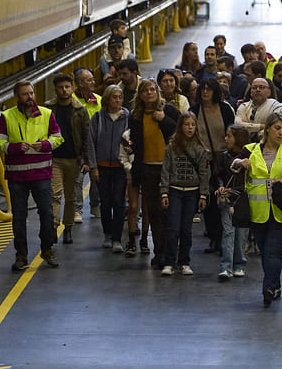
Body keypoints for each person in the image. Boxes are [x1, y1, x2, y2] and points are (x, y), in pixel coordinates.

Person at [234, 113, 282, 306]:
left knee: (273, 251)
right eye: (277, 128)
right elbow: (231, 165)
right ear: (267, 130)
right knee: (266, 252)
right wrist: (240, 163)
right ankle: (276, 284)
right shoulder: (251, 149)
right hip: (258, 212)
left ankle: (268, 288)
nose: (281, 133)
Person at [0, 81, 63, 270]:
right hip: (17, 177)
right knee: (19, 217)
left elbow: (58, 138)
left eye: (31, 93)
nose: (30, 97)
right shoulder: (7, 117)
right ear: (17, 96)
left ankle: (47, 249)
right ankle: (21, 256)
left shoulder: (47, 114)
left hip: (41, 175)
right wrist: (14, 148)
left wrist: (46, 145)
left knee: (47, 214)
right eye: (25, 94)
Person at [128, 79, 180, 267]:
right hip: (147, 168)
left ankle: (172, 252)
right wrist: (131, 148)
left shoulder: (169, 110)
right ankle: (160, 252)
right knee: (154, 212)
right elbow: (135, 140)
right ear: (140, 95)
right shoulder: (136, 116)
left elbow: (181, 131)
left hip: (168, 168)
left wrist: (163, 119)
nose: (149, 93)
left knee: (170, 211)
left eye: (152, 89)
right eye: (145, 90)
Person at [159, 113, 210, 276]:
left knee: (186, 229)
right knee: (173, 227)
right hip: (174, 190)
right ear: (180, 126)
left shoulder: (200, 148)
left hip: (191, 192)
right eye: (186, 124)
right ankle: (169, 262)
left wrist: (203, 195)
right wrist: (164, 192)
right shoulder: (172, 147)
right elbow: (166, 170)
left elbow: (204, 173)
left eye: (192, 125)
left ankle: (184, 261)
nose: (190, 128)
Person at [46, 73, 92, 245]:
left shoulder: (80, 110)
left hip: (74, 159)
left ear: (72, 88)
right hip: (55, 159)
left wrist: (86, 160)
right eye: (60, 87)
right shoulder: (49, 109)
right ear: (55, 89)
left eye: (67, 87)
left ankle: (68, 228)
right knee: (55, 195)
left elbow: (86, 136)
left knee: (71, 197)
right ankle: (53, 228)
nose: (64, 90)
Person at [88, 84, 132, 252]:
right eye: (114, 97)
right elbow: (91, 143)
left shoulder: (127, 117)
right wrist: (93, 167)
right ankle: (107, 234)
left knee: (119, 202)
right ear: (107, 99)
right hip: (103, 166)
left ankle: (117, 238)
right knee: (105, 202)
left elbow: (132, 138)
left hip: (121, 167)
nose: (118, 100)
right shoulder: (98, 118)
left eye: (120, 97)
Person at [195, 78, 235, 253]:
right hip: (204, 161)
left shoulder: (225, 109)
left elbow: (232, 132)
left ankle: (226, 237)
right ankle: (214, 237)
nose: (205, 92)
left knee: (225, 198)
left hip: (224, 160)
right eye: (202, 88)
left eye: (209, 89)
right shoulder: (195, 110)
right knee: (208, 198)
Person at [214, 126, 251, 281]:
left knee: (241, 233)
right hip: (227, 199)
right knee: (228, 232)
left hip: (243, 199)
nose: (226, 139)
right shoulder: (223, 156)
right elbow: (218, 175)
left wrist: (234, 189)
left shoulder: (249, 158)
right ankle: (226, 267)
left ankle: (239, 265)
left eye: (229, 136)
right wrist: (221, 186)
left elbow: (250, 180)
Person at [73, 67, 103, 221]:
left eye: (93, 79)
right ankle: (77, 209)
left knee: (96, 177)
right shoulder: (72, 101)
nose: (93, 82)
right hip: (77, 147)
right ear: (80, 83)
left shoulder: (98, 100)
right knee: (77, 180)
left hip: (94, 146)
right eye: (89, 80)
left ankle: (96, 205)